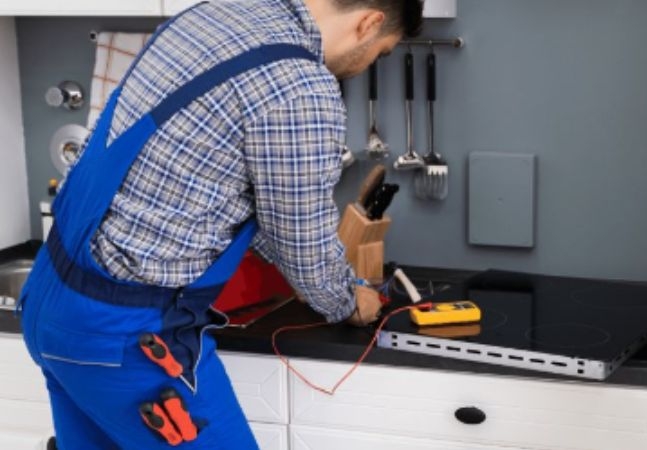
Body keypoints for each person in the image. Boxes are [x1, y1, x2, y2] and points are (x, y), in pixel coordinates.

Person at [16, 0, 423, 447]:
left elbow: (219, 188)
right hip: (124, 336)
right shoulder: (300, 86)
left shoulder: (211, 16)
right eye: (380, 52)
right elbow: (301, 241)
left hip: (49, 299)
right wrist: (348, 300)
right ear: (369, 23)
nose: (367, 65)